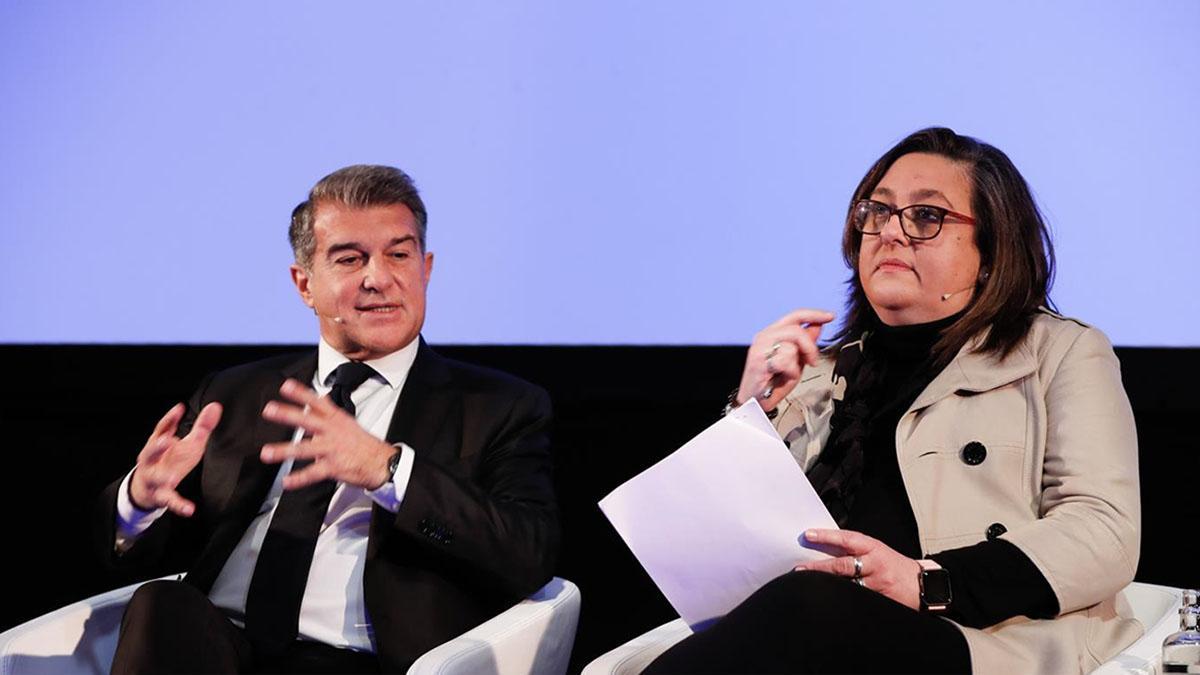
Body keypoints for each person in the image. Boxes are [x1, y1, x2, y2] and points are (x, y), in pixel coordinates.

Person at [645, 128, 1140, 674]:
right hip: (814, 637)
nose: (891, 233)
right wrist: (749, 412)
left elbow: (1104, 529)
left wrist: (926, 581)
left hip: (973, 637)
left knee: (808, 607)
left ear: (991, 255)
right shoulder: (818, 373)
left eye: (927, 216)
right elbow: (717, 555)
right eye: (876, 212)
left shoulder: (1061, 352)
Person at [97, 165, 559, 674]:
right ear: (305, 284)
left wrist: (388, 470)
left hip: (355, 660)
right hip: (218, 649)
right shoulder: (234, 393)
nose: (379, 278)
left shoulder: (499, 407)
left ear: (426, 269)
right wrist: (139, 501)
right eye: (349, 258)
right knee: (162, 603)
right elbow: (133, 554)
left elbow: (528, 553)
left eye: (399, 255)